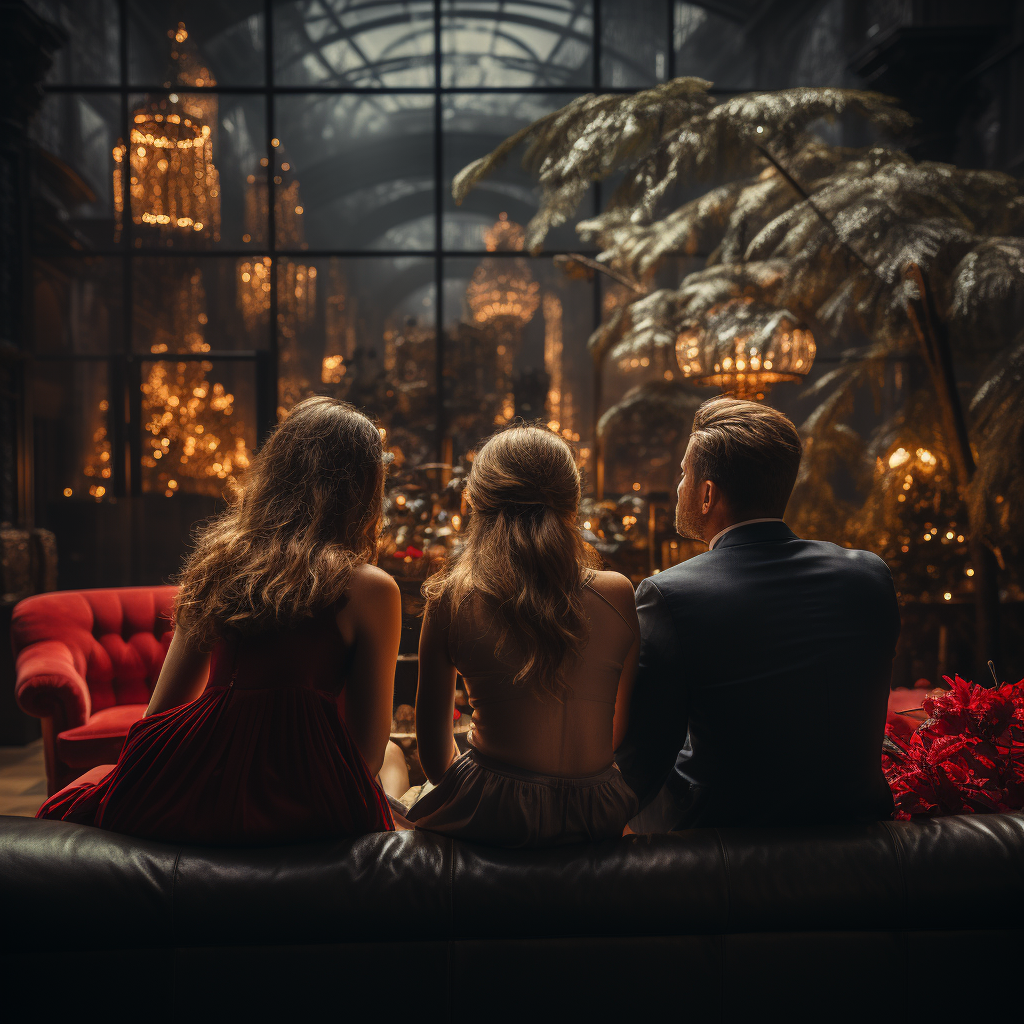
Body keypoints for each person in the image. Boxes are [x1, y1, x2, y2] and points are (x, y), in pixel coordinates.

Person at [37, 397, 399, 844]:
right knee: (396, 759)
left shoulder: (219, 561)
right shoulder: (371, 589)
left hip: (191, 784)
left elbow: (160, 714)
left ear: (276, 473)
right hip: (302, 801)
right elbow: (365, 755)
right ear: (365, 489)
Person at [616, 396, 900, 831]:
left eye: (682, 475)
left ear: (707, 493)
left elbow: (643, 763)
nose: (677, 489)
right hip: (857, 827)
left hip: (722, 840)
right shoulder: (869, 575)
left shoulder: (669, 594)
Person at [406, 425, 640, 847]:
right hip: (599, 808)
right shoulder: (618, 594)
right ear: (572, 501)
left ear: (477, 502)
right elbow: (613, 736)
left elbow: (436, 758)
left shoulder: (452, 598)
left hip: (494, 810)